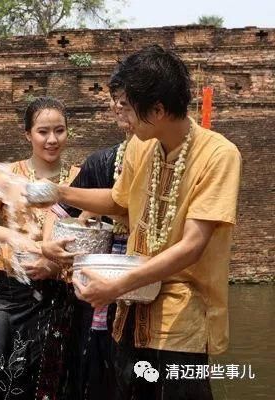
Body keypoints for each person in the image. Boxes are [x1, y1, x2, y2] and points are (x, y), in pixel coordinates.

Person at [44, 45, 242, 400]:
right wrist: (59, 192)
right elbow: (120, 202)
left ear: (158, 110)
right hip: (132, 311)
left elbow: (192, 246)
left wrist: (117, 286)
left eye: (128, 107)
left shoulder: (219, 155)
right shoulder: (141, 145)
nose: (122, 115)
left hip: (182, 316)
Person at [0, 97, 80, 400]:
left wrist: (56, 265)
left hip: (60, 293)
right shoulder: (6, 176)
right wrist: (10, 237)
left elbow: (94, 238)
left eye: (59, 131)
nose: (52, 139)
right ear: (28, 134)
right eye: (43, 131)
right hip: (10, 293)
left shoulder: (80, 178)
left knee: (52, 383)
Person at [46, 79, 132, 400]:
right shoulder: (102, 162)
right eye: (117, 101)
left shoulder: (168, 161)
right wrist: (48, 245)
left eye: (128, 101)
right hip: (98, 291)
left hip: (148, 289)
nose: (121, 107)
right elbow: (59, 211)